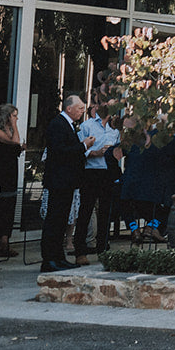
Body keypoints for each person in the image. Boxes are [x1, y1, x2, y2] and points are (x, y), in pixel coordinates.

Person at [41, 95, 87, 271]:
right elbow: (61, 151)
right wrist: (83, 146)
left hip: (66, 181)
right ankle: (49, 259)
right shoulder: (58, 124)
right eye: (80, 108)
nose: (82, 111)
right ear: (69, 108)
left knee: (61, 221)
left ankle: (58, 257)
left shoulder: (68, 125)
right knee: (54, 220)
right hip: (58, 180)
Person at [75, 104, 121, 262]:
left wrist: (114, 153)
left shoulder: (114, 129)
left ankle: (103, 249)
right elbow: (78, 149)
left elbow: (119, 150)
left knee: (106, 212)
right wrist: (94, 152)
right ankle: (80, 250)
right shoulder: (87, 126)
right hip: (91, 172)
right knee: (86, 210)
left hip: (108, 172)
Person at [0, 104, 24, 260]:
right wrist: (14, 126)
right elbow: (15, 142)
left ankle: (5, 241)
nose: (16, 118)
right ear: (7, 116)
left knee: (10, 205)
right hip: (0, 173)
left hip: (10, 173)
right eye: (14, 116)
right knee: (0, 207)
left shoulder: (9, 131)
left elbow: (15, 147)